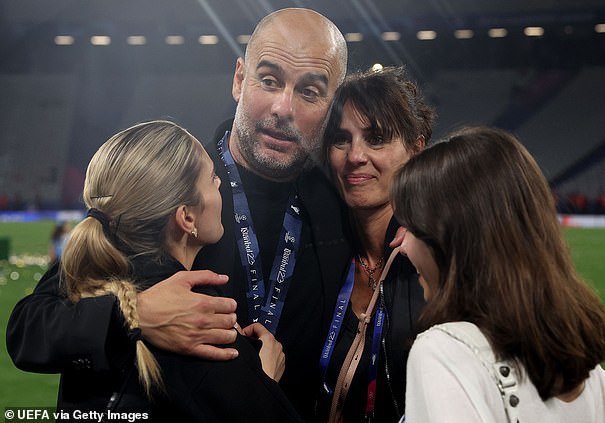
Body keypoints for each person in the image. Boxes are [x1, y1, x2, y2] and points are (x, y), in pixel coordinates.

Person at [7, 8, 351, 420]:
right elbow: (30, 329)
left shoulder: (342, 202)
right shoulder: (165, 190)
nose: (284, 107)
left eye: (310, 91)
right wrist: (132, 316)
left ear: (333, 105)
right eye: (270, 80)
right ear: (240, 79)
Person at [56, 119, 301, 421]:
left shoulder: (86, 299)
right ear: (186, 217)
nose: (220, 183)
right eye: (212, 178)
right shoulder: (204, 330)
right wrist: (261, 383)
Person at [393, 126, 605, 422]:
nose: (403, 246)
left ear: (453, 241)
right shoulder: (593, 380)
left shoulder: (443, 352)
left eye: (413, 230)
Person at [317, 66, 436, 423]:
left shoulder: (440, 258)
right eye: (341, 138)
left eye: (377, 138)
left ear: (416, 150)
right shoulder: (314, 252)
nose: (355, 156)